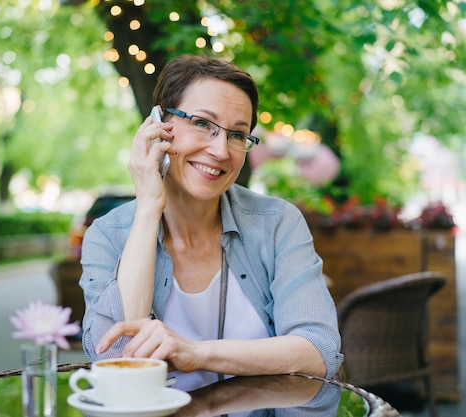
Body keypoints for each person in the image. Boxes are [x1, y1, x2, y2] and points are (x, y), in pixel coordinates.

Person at [79, 54, 343, 390]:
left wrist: (196, 353)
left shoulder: (277, 223)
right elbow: (115, 356)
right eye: (203, 123)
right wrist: (148, 206)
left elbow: (320, 351)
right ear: (159, 125)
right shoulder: (108, 235)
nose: (221, 150)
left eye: (237, 134)